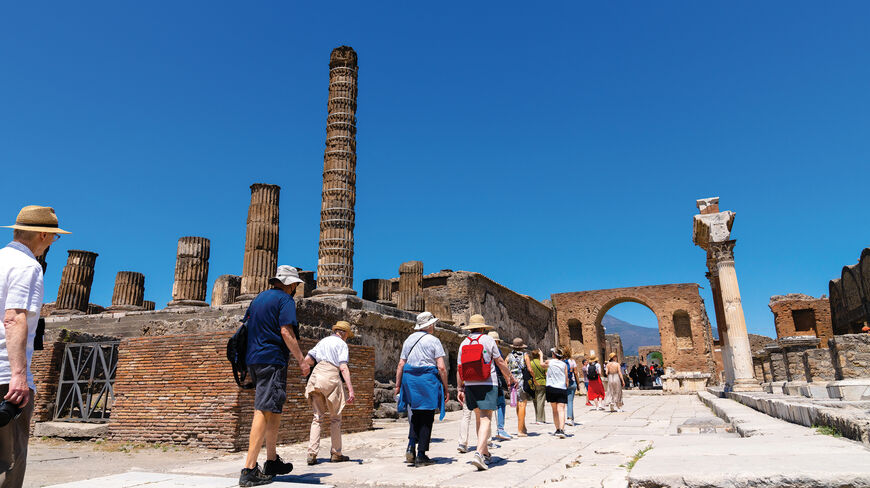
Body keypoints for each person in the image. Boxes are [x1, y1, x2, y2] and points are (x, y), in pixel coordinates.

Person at [1, 206, 67, 488]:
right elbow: (14, 318)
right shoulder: (28, 267)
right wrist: (18, 375)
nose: (53, 243)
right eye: (54, 237)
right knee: (8, 462)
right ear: (43, 235)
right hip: (4, 376)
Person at [240, 265, 309, 487]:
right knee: (263, 409)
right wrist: (301, 360)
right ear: (289, 284)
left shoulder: (258, 299)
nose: (296, 290)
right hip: (272, 359)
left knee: (274, 408)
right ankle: (249, 469)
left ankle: (271, 461)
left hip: (253, 358)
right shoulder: (285, 301)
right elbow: (286, 331)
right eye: (296, 285)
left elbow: (246, 327)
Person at [456, 314, 515, 471]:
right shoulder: (488, 340)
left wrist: (460, 388)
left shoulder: (463, 343)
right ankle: (479, 455)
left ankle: (486, 452)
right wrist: (510, 377)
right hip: (487, 383)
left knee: (478, 418)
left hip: (470, 385)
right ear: (483, 328)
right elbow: (500, 361)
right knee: (486, 418)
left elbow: (459, 368)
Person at [396, 312, 449, 467]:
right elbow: (441, 367)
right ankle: (421, 455)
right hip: (427, 380)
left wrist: (398, 385)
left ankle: (411, 446)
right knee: (426, 415)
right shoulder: (434, 341)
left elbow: (401, 364)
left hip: (409, 380)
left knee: (415, 414)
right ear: (430, 325)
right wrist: (446, 388)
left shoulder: (408, 340)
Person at [302, 321, 355, 466]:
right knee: (335, 418)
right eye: (347, 335)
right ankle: (336, 453)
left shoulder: (323, 341)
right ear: (343, 333)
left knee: (317, 418)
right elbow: (343, 367)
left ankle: (312, 454)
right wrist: (350, 389)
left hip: (317, 376)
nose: (346, 338)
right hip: (331, 376)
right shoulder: (342, 344)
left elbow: (307, 360)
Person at [488, 331, 511, 441]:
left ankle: (487, 434)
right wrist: (509, 379)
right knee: (501, 404)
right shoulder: (496, 350)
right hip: (495, 380)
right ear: (496, 341)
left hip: (481, 381)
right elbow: (502, 365)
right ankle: (500, 429)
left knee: (486, 409)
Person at [541, 348, 569, 438]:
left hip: (551, 388)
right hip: (561, 387)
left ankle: (557, 429)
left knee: (554, 410)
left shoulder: (550, 362)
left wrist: (541, 355)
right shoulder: (564, 364)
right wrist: (566, 386)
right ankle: (562, 429)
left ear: (553, 354)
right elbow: (566, 377)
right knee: (561, 409)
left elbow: (541, 365)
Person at [506, 338, 529, 437]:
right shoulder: (525, 355)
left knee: (518, 404)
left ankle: (522, 426)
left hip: (512, 382)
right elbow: (529, 369)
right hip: (521, 382)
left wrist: (508, 378)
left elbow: (504, 366)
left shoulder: (509, 356)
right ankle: (520, 430)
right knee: (522, 404)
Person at [526, 348, 547, 424]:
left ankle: (540, 417)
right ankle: (540, 419)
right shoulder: (541, 363)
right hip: (542, 383)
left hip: (533, 384)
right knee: (541, 401)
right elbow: (546, 374)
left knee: (536, 401)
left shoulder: (530, 363)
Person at [564, 348, 581, 426]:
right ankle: (570, 418)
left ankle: (571, 418)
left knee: (568, 401)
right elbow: (576, 373)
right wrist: (578, 384)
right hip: (572, 382)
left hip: (564, 383)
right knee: (570, 401)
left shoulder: (562, 362)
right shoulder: (572, 361)